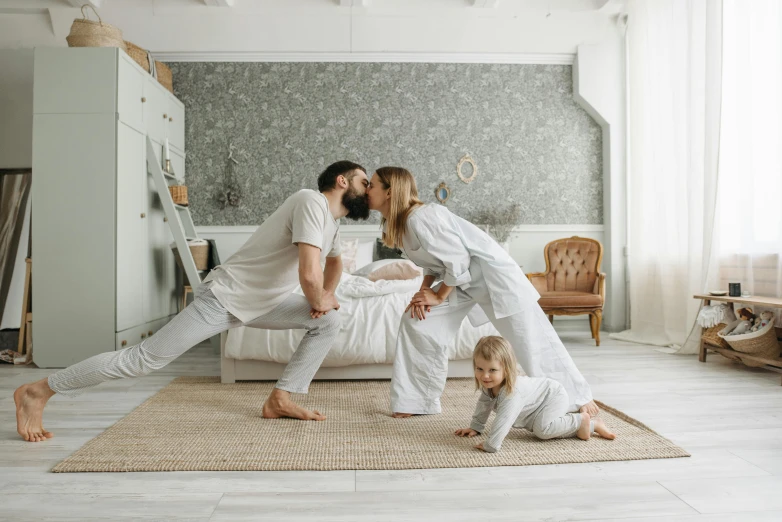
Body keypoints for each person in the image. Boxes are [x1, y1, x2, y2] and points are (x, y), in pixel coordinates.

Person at [15, 161, 370, 442]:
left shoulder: (332, 224)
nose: (367, 190)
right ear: (342, 180)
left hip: (260, 303)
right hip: (223, 298)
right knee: (141, 361)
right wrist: (317, 296)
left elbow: (334, 263)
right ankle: (38, 391)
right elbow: (309, 273)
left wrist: (327, 297)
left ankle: (281, 398)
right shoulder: (310, 200)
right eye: (363, 181)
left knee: (327, 321)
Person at [364, 166, 598, 418]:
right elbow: (432, 264)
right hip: (463, 282)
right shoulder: (398, 224)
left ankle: (577, 398)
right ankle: (416, 402)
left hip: (493, 279)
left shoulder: (421, 217)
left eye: (372, 185)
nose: (367, 190)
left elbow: (458, 259)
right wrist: (422, 293)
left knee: (531, 339)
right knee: (418, 320)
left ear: (390, 192)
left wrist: (439, 295)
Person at [455, 336, 615, 453]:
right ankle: (590, 425)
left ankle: (580, 419)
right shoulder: (489, 385)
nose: (485, 376)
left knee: (543, 431)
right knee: (542, 427)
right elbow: (484, 404)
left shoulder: (512, 392)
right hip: (537, 405)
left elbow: (504, 419)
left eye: (492, 370)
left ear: (507, 369)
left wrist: (491, 444)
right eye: (480, 369)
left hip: (553, 396)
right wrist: (476, 426)